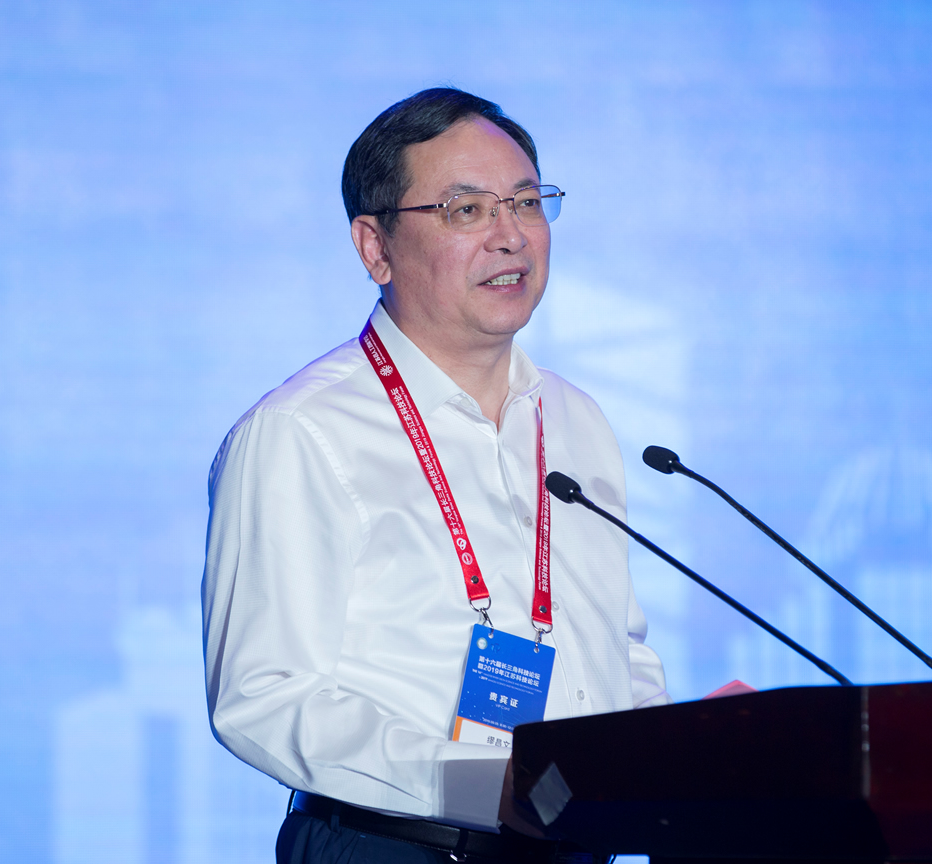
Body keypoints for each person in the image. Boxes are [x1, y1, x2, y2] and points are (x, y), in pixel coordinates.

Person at [202, 87, 669, 864]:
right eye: (465, 210)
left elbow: (616, 651)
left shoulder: (575, 418)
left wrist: (673, 766)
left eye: (527, 202)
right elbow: (263, 697)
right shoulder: (301, 433)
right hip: (396, 845)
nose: (510, 236)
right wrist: (481, 784)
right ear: (374, 248)